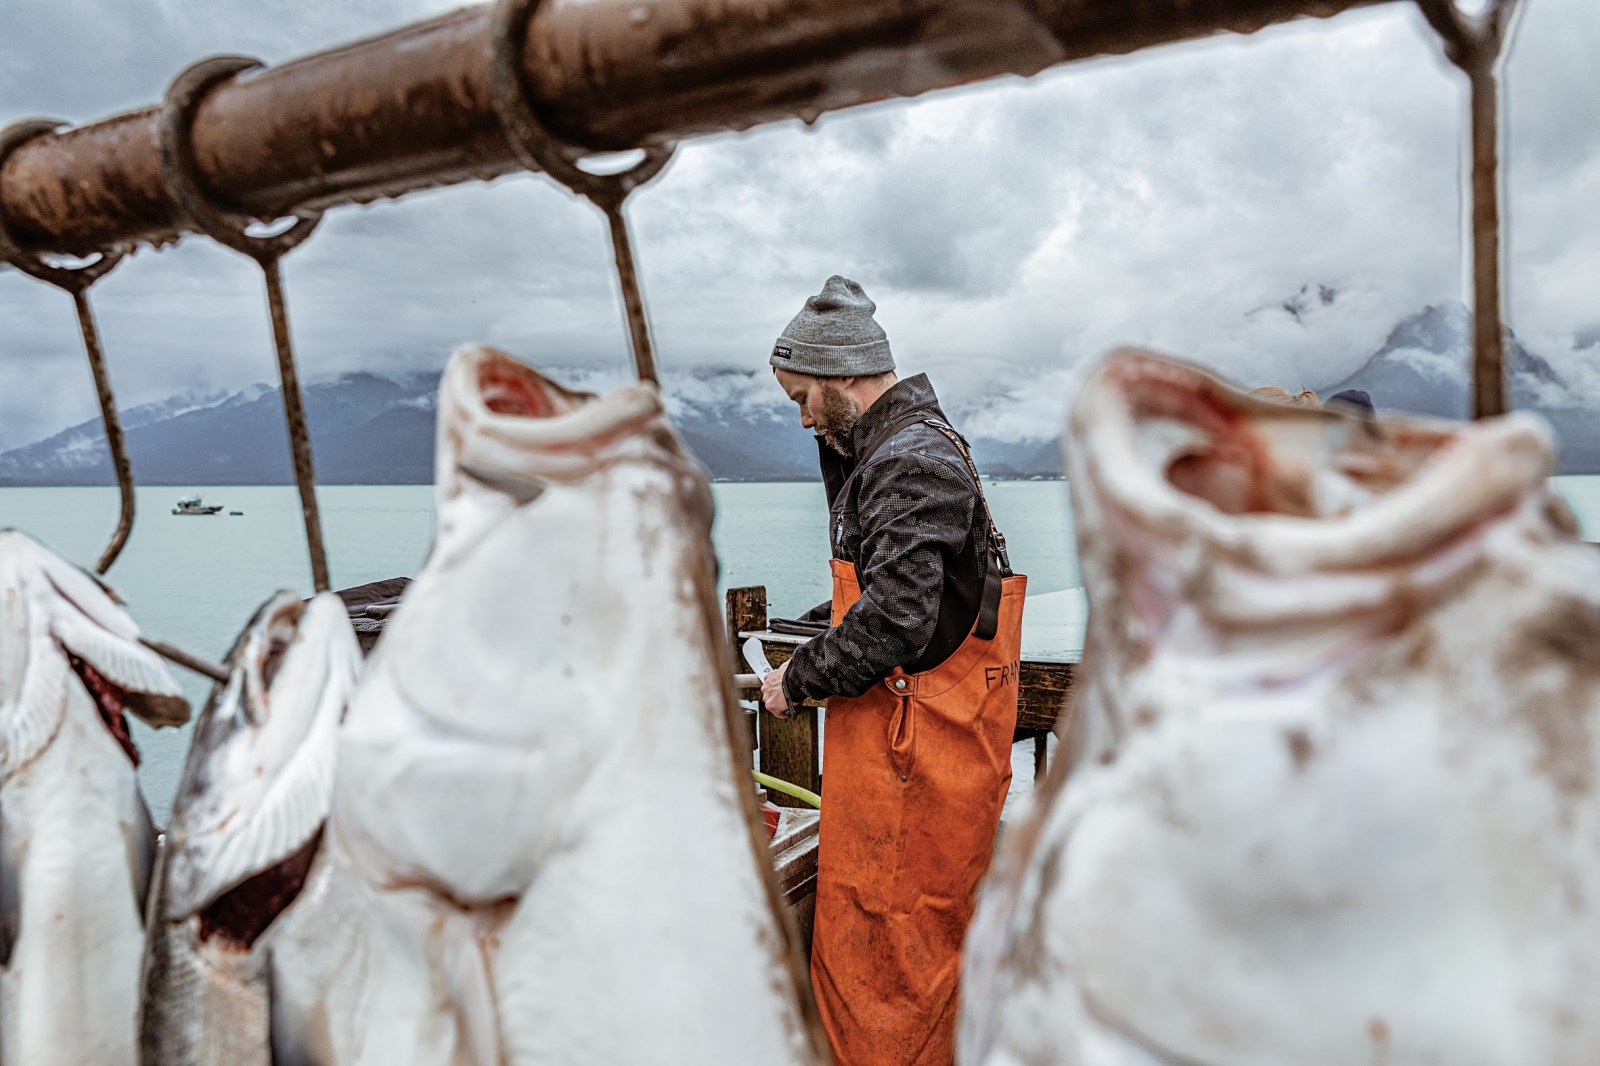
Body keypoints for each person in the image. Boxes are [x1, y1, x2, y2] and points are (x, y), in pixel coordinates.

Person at [760, 275, 1025, 1066]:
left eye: (804, 397)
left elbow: (899, 620)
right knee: (916, 961)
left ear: (844, 374)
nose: (804, 417)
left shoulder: (910, 463)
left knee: (894, 972)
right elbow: (907, 593)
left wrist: (797, 678)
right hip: (915, 766)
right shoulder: (902, 450)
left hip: (918, 767)